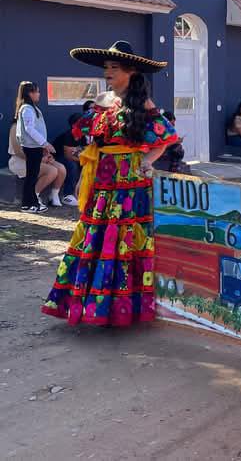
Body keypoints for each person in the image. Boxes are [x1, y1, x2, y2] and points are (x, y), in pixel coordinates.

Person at [41, 40, 177, 326]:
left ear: (130, 72)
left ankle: (122, 308)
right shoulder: (102, 101)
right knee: (93, 236)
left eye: (114, 68)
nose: (107, 73)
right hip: (102, 178)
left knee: (126, 240)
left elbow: (166, 139)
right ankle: (90, 305)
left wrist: (147, 161)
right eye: (106, 68)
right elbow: (89, 140)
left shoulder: (144, 104)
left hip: (131, 182)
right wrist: (82, 175)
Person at [13, 81, 62, 212]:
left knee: (32, 175)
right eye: (37, 91)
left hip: (35, 147)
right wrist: (45, 143)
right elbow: (29, 129)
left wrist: (42, 145)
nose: (39, 94)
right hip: (31, 147)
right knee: (31, 176)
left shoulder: (31, 108)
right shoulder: (27, 109)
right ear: (30, 93)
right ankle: (28, 204)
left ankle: (31, 202)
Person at [8, 119, 67, 212]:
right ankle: (32, 198)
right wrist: (38, 159)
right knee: (52, 171)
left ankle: (53, 196)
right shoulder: (15, 127)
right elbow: (18, 151)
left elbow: (40, 145)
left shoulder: (35, 127)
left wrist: (47, 155)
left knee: (61, 168)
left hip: (37, 158)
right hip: (20, 161)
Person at [50, 113, 83, 205]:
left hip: (73, 157)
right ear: (73, 125)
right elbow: (68, 156)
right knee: (72, 165)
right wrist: (83, 160)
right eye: (81, 123)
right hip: (56, 158)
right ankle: (67, 195)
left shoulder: (84, 135)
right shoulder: (68, 135)